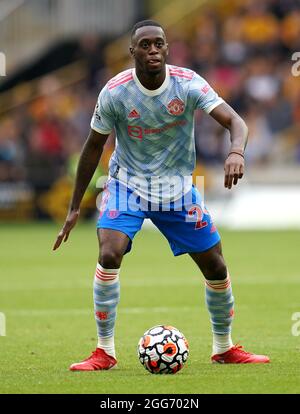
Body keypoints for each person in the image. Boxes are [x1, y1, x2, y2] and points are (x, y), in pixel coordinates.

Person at [53, 20, 270, 370]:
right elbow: (93, 148)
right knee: (110, 252)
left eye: (159, 44)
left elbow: (236, 122)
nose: (153, 50)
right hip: (127, 186)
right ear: (133, 52)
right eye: (146, 45)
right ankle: (104, 352)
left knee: (215, 264)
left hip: (177, 189)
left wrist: (236, 152)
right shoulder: (115, 91)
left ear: (167, 49)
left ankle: (224, 347)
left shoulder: (187, 83)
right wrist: (75, 207)